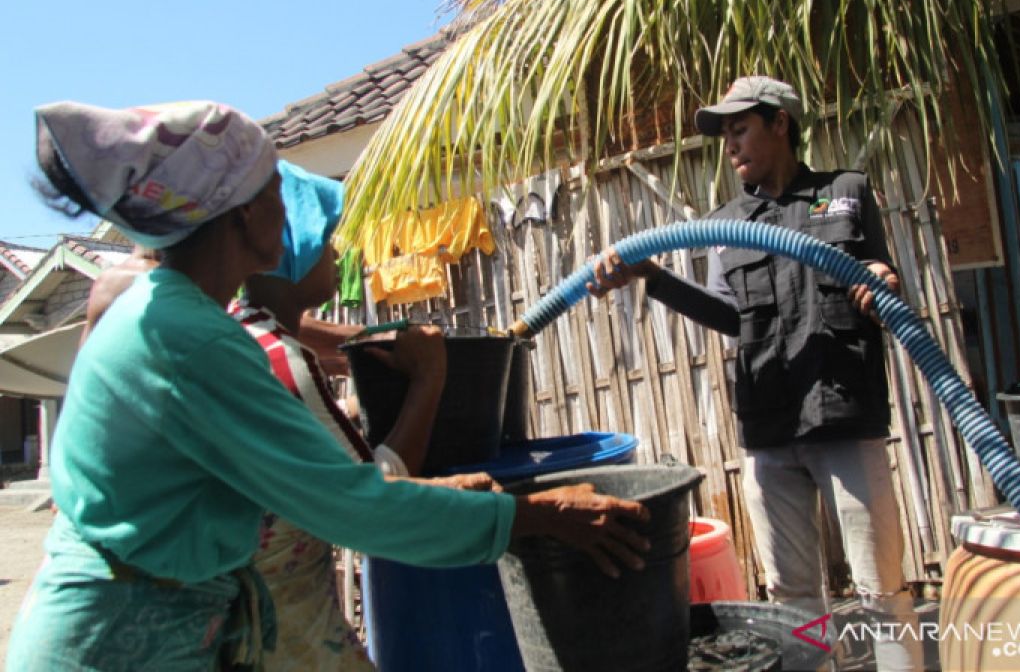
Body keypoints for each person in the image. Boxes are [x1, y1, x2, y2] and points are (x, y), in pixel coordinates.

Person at [8, 100, 649, 671]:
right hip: (114, 642)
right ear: (242, 212)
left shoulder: (169, 310)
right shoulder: (194, 341)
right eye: (272, 191)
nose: (284, 208)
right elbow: (354, 506)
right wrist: (542, 515)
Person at [588, 77, 922, 670]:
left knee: (879, 591)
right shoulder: (726, 224)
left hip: (845, 415)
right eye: (724, 136)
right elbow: (729, 316)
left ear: (780, 124)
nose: (730, 146)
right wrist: (653, 278)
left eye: (739, 129)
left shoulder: (844, 192)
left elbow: (881, 269)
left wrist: (883, 280)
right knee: (794, 596)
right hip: (770, 430)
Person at [234, 160, 459, 670]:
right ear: (295, 250)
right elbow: (377, 502)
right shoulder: (284, 361)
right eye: (327, 240)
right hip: (282, 628)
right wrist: (429, 379)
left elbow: (310, 333)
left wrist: (368, 342)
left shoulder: (240, 330)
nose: (339, 253)